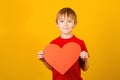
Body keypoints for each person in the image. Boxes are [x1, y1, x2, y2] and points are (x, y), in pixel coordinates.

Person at [38, 7, 90, 80]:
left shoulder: (80, 43)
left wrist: (86, 59)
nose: (65, 24)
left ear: (75, 24)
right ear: (57, 24)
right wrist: (43, 60)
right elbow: (53, 68)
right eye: (62, 21)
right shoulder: (53, 44)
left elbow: (85, 68)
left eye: (69, 21)